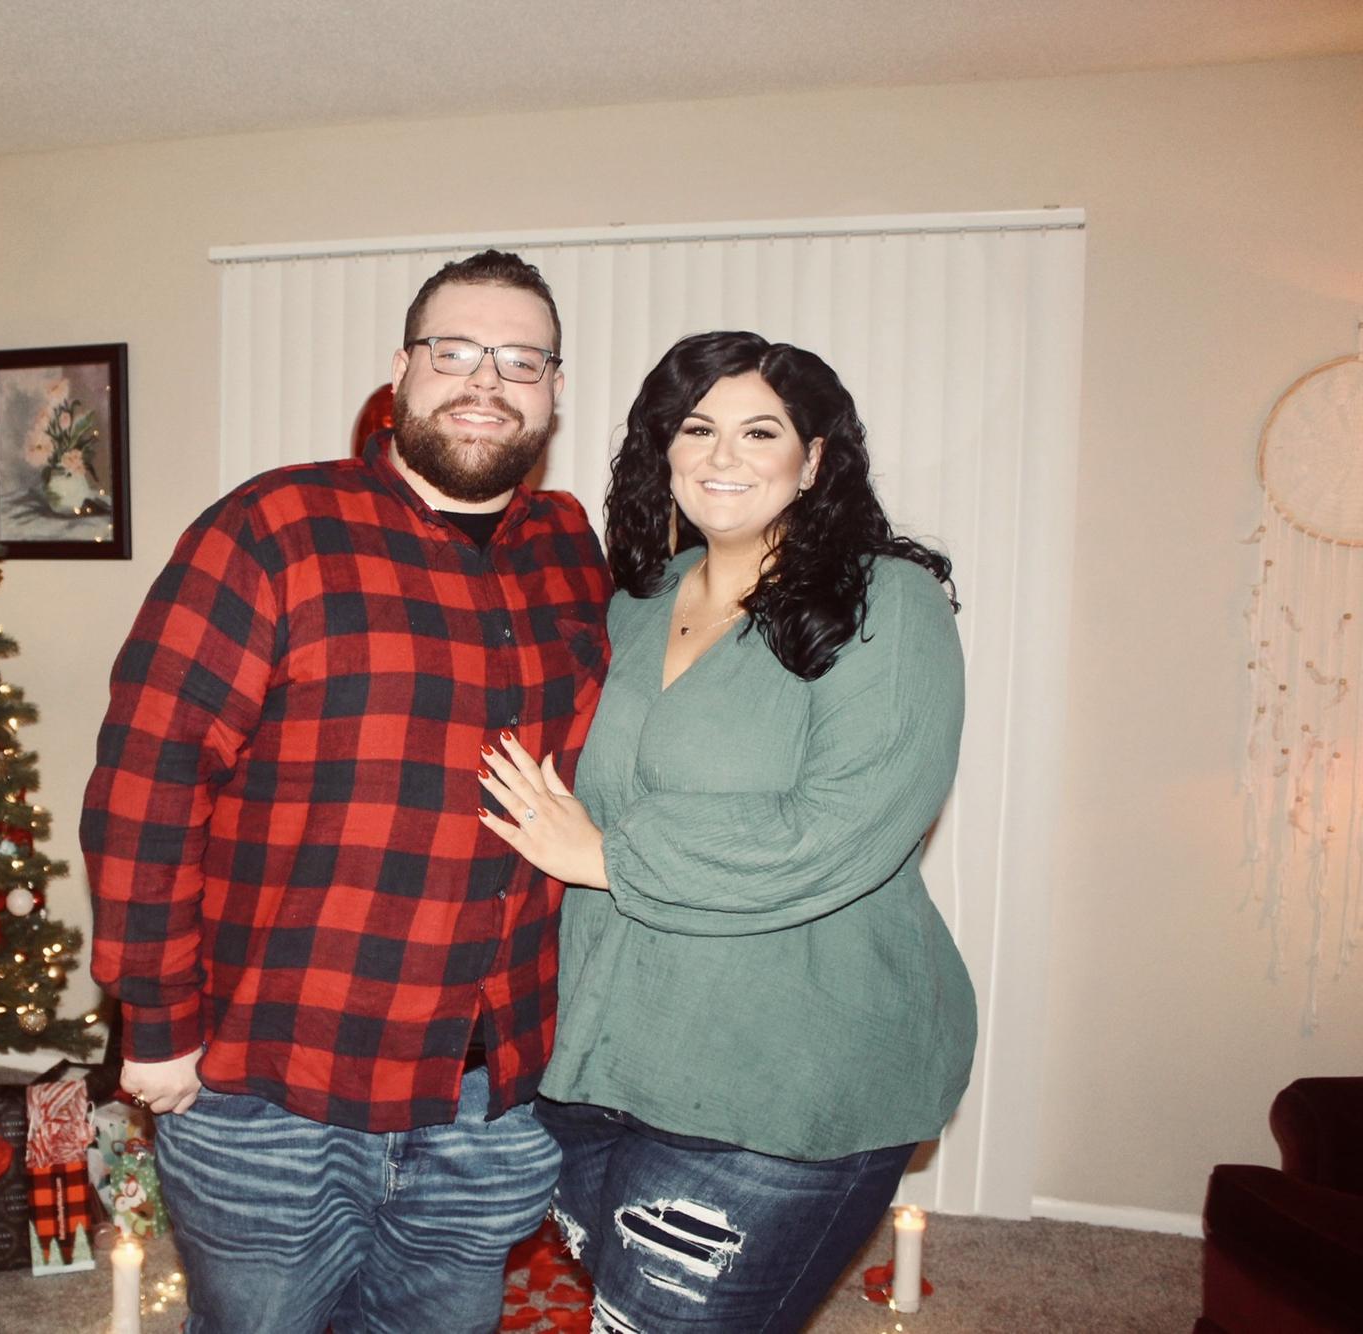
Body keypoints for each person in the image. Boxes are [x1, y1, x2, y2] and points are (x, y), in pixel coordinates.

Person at [82, 250, 612, 1334]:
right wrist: (157, 1020)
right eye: (453, 351)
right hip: (276, 1085)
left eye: (520, 360)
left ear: (554, 389)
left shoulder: (569, 548)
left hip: (486, 1094)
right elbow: (150, 774)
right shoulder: (274, 526)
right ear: (401, 369)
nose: (485, 380)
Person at [477, 330, 975, 1332]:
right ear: (663, 450)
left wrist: (606, 855)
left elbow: (839, 831)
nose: (722, 455)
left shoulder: (887, 601)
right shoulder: (632, 605)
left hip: (785, 1075)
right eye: (697, 428)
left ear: (814, 459)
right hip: (602, 1062)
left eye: (760, 431)